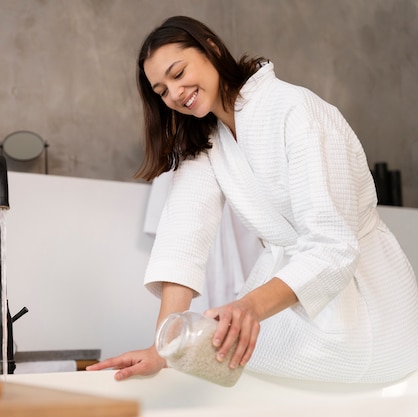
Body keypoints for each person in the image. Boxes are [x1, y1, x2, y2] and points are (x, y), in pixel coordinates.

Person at [87, 15, 418, 383]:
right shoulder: (208, 143)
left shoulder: (295, 109)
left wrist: (248, 307)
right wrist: (164, 348)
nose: (175, 94)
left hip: (370, 307)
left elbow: (332, 246)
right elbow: (182, 239)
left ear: (211, 49)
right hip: (285, 296)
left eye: (178, 73)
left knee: (231, 369)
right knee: (212, 368)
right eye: (162, 91)